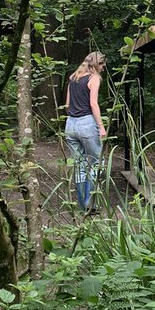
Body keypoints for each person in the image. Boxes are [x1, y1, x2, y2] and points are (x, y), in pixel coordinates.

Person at [64, 52, 107, 210]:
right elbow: (93, 104)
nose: (103, 69)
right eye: (102, 65)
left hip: (70, 125)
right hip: (87, 123)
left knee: (79, 165)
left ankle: (84, 206)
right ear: (96, 64)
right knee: (97, 162)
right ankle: (91, 203)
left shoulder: (74, 77)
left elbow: (68, 104)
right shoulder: (93, 78)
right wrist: (101, 126)